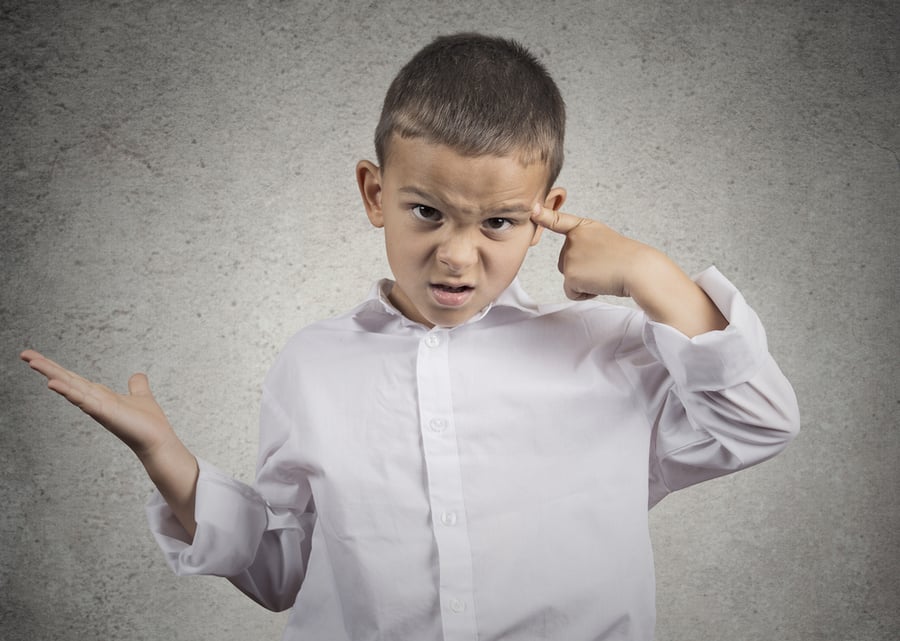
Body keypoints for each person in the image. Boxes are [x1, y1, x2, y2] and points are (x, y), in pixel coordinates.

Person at [21, 33, 799, 641]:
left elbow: (759, 419)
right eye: (426, 210)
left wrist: (652, 275)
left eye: (498, 221)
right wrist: (172, 465)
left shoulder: (613, 350)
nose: (457, 254)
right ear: (374, 192)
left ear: (545, 212)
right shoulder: (313, 365)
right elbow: (283, 569)